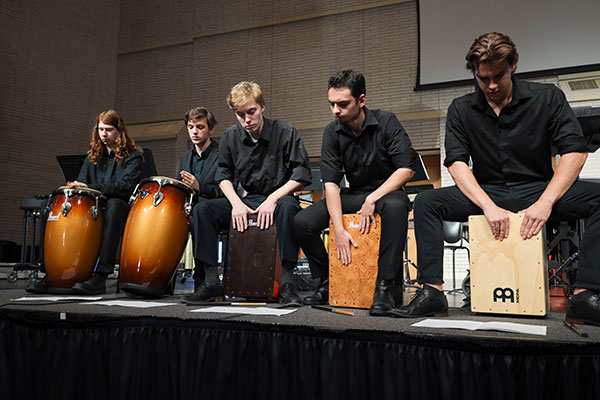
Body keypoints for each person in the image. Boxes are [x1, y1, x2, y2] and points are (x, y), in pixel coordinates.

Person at [395, 32, 600, 325]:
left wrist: (546, 202)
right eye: (483, 78)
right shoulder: (461, 109)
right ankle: (432, 293)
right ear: (475, 74)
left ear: (513, 66)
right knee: (427, 201)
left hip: (537, 189)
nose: (491, 85)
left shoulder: (548, 97)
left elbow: (575, 152)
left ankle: (585, 296)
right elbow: (456, 163)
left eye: (499, 76)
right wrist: (488, 206)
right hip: (487, 193)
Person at [294, 70, 417, 316]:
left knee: (395, 206)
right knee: (301, 222)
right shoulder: (332, 132)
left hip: (386, 192)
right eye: (331, 104)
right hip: (355, 193)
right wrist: (338, 230)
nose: (335, 111)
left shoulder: (386, 121)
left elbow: (407, 168)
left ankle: (384, 286)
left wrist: (373, 198)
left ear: (361, 100)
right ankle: (327, 281)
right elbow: (330, 184)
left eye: (342, 104)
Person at [180, 81, 312, 305]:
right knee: (203, 210)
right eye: (240, 115)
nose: (246, 120)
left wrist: (273, 198)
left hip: (279, 197)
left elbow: (301, 173)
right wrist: (236, 204)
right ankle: (211, 281)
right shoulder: (231, 136)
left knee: (290, 208)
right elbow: (223, 175)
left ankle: (288, 284)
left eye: (251, 112)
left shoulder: (285, 131)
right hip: (246, 198)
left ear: (262, 107)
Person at [27, 109, 143, 295]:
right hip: (92, 206)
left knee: (113, 206)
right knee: (47, 205)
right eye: (100, 129)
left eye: (109, 129)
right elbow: (82, 184)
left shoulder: (133, 156)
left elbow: (125, 186)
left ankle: (100, 277)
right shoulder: (92, 157)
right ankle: (50, 273)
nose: (104, 134)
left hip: (118, 207)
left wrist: (92, 187)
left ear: (119, 131)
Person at [177, 107, 223, 291]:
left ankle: (202, 277)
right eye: (191, 127)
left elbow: (228, 189)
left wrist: (199, 187)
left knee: (200, 213)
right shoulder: (185, 158)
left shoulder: (222, 153)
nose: (195, 131)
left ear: (210, 129)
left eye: (200, 127)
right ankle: (159, 276)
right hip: (193, 209)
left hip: (215, 208)